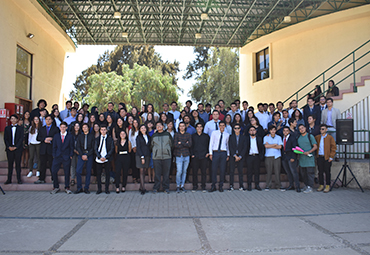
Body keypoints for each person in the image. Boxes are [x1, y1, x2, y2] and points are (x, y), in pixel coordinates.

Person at [50, 122, 74, 194]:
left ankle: (67, 187)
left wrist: (71, 155)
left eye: (64, 127)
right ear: (59, 128)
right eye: (61, 127)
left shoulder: (70, 136)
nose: (63, 128)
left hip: (66, 156)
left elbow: (72, 147)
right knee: (53, 171)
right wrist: (54, 154)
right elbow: (54, 146)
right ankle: (56, 187)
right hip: (57, 156)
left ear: (66, 128)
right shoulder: (56, 136)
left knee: (67, 172)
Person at [35, 115, 59, 184]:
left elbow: (58, 138)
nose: (48, 120)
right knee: (42, 165)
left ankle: (53, 179)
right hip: (43, 149)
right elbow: (38, 138)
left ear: (52, 120)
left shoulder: (55, 128)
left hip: (51, 149)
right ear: (45, 120)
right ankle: (41, 179)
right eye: (47, 119)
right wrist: (44, 139)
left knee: (52, 164)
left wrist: (52, 139)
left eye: (49, 119)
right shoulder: (42, 128)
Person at [151, 121, 173, 193]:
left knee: (166, 174)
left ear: (163, 126)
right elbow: (151, 146)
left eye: (160, 125)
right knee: (157, 173)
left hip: (167, 157)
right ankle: (156, 188)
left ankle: (166, 188)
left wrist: (167, 151)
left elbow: (171, 144)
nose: (158, 127)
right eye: (157, 126)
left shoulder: (167, 134)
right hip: (157, 157)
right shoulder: (154, 135)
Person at [208, 121, 230, 192]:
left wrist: (228, 154)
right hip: (215, 152)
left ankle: (221, 185)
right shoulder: (214, 133)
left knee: (222, 169)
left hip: (223, 153)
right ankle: (213, 185)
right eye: (220, 125)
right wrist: (210, 153)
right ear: (219, 126)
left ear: (225, 126)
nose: (222, 127)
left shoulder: (227, 134)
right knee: (214, 169)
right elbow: (211, 143)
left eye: (223, 125)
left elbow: (227, 145)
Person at [315, 124, 337, 193]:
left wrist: (331, 157)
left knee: (327, 172)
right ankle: (321, 185)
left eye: (323, 129)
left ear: (326, 130)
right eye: (321, 129)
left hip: (327, 157)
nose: (322, 130)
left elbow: (333, 147)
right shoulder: (317, 137)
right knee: (320, 172)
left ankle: (327, 185)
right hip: (320, 157)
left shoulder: (330, 138)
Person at [297, 124, 318, 194]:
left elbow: (315, 146)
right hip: (302, 159)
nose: (301, 130)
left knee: (310, 173)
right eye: (300, 129)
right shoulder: (299, 138)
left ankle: (310, 187)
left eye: (302, 128)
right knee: (303, 174)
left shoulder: (310, 136)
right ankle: (306, 185)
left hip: (309, 159)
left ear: (305, 128)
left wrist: (309, 152)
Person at [74, 123, 95, 194]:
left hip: (89, 155)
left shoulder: (92, 136)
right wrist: (82, 154)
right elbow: (78, 146)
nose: (85, 128)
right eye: (83, 127)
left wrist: (87, 155)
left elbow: (93, 147)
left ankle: (86, 188)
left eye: (86, 127)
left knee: (88, 172)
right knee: (78, 171)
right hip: (81, 155)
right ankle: (79, 188)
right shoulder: (80, 136)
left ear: (88, 128)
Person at [3, 114, 24, 185]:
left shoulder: (20, 128)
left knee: (18, 164)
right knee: (10, 165)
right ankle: (9, 179)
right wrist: (9, 146)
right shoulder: (7, 128)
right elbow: (5, 139)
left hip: (18, 149)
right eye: (12, 119)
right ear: (10, 120)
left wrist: (16, 147)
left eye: (14, 119)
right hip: (9, 149)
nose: (13, 120)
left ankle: (19, 179)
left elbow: (21, 138)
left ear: (17, 120)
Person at [95, 125, 115, 194]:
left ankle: (107, 189)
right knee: (98, 174)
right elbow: (95, 148)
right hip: (99, 158)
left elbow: (112, 148)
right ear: (100, 131)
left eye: (104, 130)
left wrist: (106, 157)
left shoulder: (110, 139)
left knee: (107, 174)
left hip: (107, 158)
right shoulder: (97, 139)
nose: (103, 131)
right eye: (102, 130)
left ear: (106, 130)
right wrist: (99, 156)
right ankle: (99, 189)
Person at [263, 126, 283, 191]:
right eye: (271, 130)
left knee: (277, 171)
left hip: (277, 156)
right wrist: (274, 145)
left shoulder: (279, 137)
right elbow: (266, 146)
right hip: (268, 156)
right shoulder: (266, 137)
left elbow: (280, 147)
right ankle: (268, 185)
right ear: (269, 131)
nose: (273, 131)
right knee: (269, 172)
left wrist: (270, 145)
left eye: (274, 130)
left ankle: (278, 185)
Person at [174, 122, 192, 193]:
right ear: (178, 127)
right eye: (180, 126)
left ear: (185, 127)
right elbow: (175, 145)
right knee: (179, 171)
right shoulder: (176, 134)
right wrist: (185, 143)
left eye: (183, 126)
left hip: (186, 155)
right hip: (179, 155)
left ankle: (182, 185)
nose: (181, 127)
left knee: (184, 171)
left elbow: (190, 145)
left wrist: (181, 143)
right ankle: (178, 185)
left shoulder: (188, 135)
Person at [228, 123, 247, 191]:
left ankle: (241, 186)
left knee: (240, 171)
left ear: (240, 129)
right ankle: (231, 186)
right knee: (231, 171)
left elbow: (245, 147)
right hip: (233, 156)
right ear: (233, 129)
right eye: (235, 128)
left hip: (240, 156)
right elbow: (230, 147)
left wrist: (240, 156)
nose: (237, 129)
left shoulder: (243, 137)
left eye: (238, 128)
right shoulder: (231, 136)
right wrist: (235, 155)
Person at [191, 123, 210, 192]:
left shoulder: (206, 136)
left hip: (204, 156)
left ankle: (203, 186)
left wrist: (208, 153)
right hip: (195, 156)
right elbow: (191, 146)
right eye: (198, 127)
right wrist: (192, 154)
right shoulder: (193, 136)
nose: (199, 128)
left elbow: (209, 145)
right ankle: (195, 186)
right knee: (194, 172)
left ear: (202, 128)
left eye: (200, 127)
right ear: (196, 128)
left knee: (203, 172)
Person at [281, 127, 300, 192]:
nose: (285, 132)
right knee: (288, 172)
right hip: (284, 157)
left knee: (294, 172)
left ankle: (297, 186)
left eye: (287, 131)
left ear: (289, 131)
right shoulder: (282, 138)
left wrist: (293, 157)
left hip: (291, 157)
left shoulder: (292, 138)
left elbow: (295, 148)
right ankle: (291, 185)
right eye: (284, 131)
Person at [245, 126, 264, 191]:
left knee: (257, 171)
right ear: (249, 132)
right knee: (249, 171)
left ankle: (257, 185)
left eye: (253, 130)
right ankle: (249, 185)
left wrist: (261, 156)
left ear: (256, 131)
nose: (252, 131)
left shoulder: (259, 138)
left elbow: (262, 148)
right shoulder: (246, 139)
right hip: (249, 156)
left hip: (257, 156)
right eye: (251, 130)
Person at [136, 124, 151, 195]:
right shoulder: (138, 137)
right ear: (140, 129)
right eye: (141, 128)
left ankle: (141, 187)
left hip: (147, 155)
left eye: (144, 128)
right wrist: (142, 157)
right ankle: (143, 188)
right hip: (140, 156)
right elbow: (138, 147)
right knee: (141, 171)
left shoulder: (148, 136)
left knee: (144, 170)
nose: (143, 129)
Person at [69, 122, 80, 187]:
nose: (76, 127)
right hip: (72, 152)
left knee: (78, 165)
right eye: (75, 126)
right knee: (72, 166)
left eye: (78, 126)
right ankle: (72, 179)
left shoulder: (81, 134)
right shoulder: (70, 135)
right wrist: (74, 150)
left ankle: (78, 178)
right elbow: (69, 144)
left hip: (79, 152)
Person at [129, 119, 140, 183]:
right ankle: (134, 177)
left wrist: (137, 147)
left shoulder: (140, 130)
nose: (135, 124)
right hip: (133, 149)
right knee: (133, 163)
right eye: (134, 122)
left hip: (139, 149)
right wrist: (133, 147)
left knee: (139, 163)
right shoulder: (131, 130)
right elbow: (130, 139)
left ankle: (138, 177)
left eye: (136, 122)